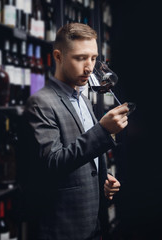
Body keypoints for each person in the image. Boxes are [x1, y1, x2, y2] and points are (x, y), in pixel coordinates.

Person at [21, 23, 128, 240]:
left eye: (93, 58)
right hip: (63, 230)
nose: (89, 67)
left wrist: (102, 182)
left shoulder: (84, 101)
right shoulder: (40, 103)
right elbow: (53, 163)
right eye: (80, 58)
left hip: (92, 224)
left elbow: (84, 161)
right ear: (58, 57)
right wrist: (103, 130)